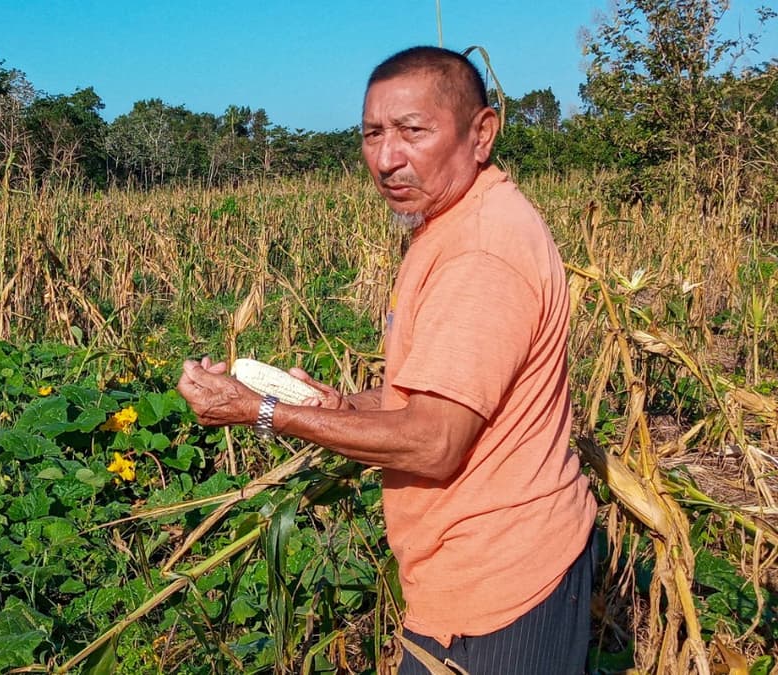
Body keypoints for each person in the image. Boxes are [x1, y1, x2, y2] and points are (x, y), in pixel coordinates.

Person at [176, 46, 597, 674]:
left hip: (500, 586)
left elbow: (433, 442)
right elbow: (427, 399)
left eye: (413, 131)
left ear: (482, 133)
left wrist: (263, 413)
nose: (386, 158)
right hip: (468, 576)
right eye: (373, 133)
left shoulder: (479, 255)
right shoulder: (451, 222)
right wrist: (343, 407)